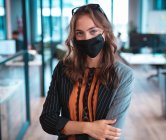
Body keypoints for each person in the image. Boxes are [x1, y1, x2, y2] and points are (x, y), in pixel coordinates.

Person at [40, 4, 133, 140]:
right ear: (74, 37)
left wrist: (67, 126)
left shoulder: (123, 74)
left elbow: (110, 133)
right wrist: (88, 128)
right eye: (79, 33)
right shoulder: (63, 69)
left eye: (93, 31)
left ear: (105, 33)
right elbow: (47, 120)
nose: (86, 38)